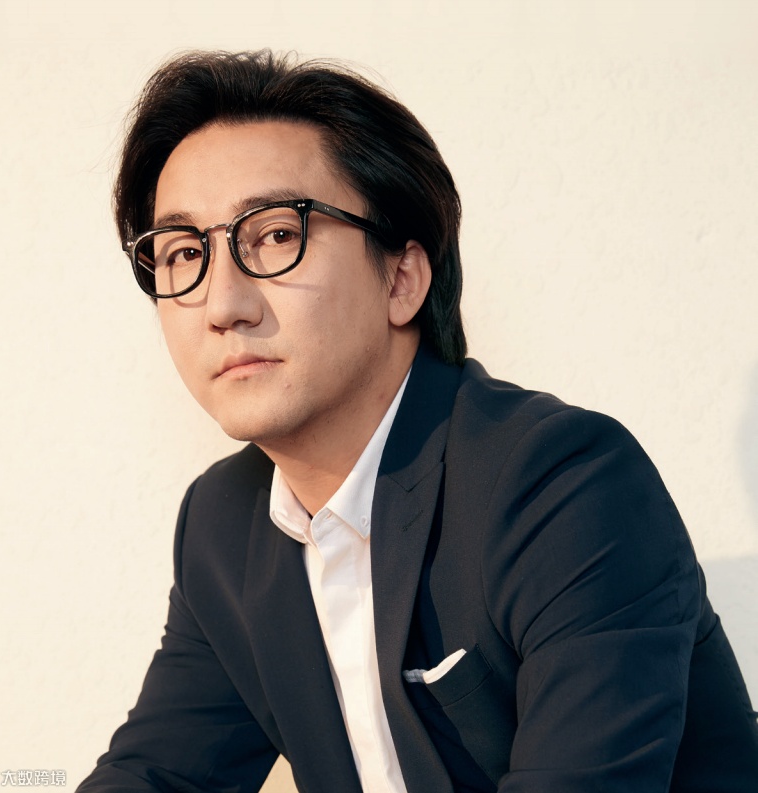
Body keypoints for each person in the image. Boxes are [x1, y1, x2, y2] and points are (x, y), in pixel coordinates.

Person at [79, 50, 758, 792]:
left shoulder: (563, 484)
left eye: (275, 235)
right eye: (183, 252)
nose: (222, 304)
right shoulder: (222, 525)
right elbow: (153, 774)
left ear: (402, 277)